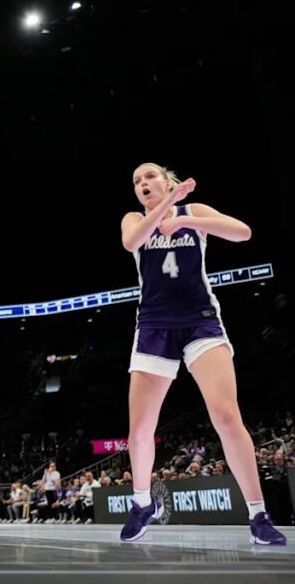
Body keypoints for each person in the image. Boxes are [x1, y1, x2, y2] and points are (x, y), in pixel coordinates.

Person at [119, 164, 286, 545]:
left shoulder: (192, 212)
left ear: (167, 182)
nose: (142, 184)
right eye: (136, 181)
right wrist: (166, 210)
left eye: (149, 177)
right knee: (140, 429)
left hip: (200, 321)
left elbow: (243, 232)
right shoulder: (134, 219)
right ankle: (142, 503)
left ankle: (258, 515)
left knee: (227, 416)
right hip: (154, 326)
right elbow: (132, 242)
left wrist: (183, 220)